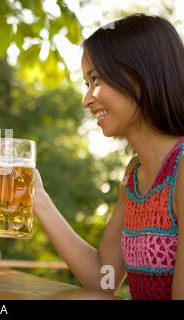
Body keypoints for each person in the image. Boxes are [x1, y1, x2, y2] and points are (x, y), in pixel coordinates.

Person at [32, 14, 184, 300]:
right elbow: (104, 277)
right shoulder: (136, 173)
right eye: (86, 83)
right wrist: (37, 198)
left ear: (140, 75)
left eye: (96, 79)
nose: (86, 99)